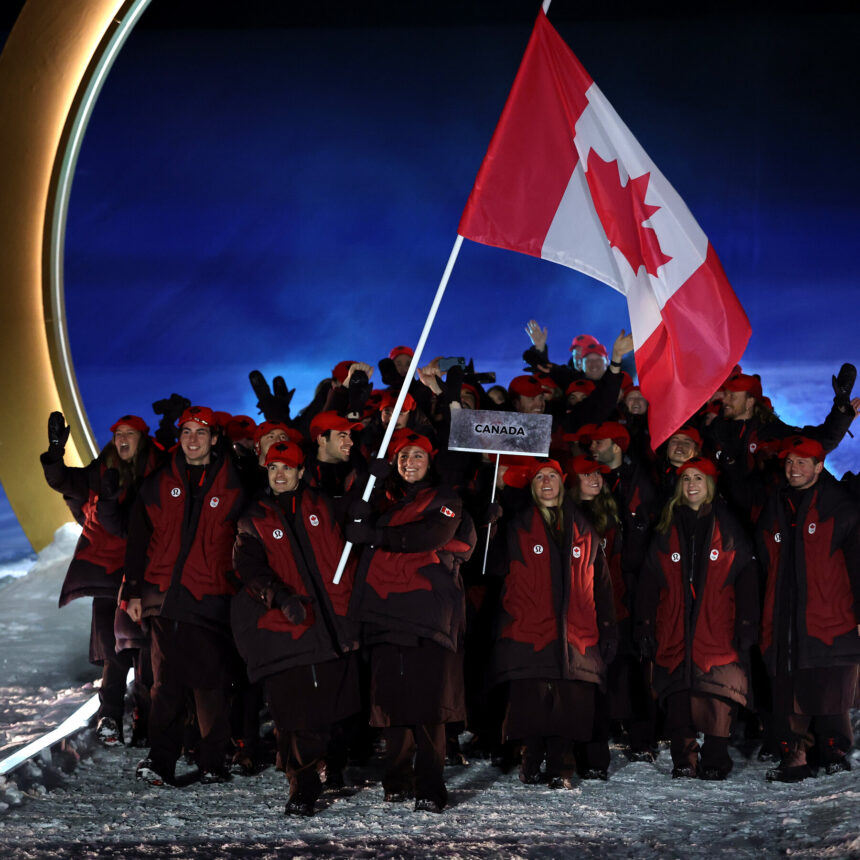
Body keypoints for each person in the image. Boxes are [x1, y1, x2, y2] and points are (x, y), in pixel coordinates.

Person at [346, 429, 476, 813]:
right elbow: (350, 519)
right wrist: (369, 478)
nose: (409, 463)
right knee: (391, 702)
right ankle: (397, 780)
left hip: (427, 613)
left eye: (417, 456)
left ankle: (430, 784)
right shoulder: (380, 497)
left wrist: (376, 536)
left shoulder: (445, 498)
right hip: (384, 612)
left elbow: (431, 534)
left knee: (428, 704)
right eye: (403, 457)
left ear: (430, 461)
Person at [232, 441, 360, 816]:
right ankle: (302, 783)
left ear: (302, 472)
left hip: (333, 625)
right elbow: (249, 569)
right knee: (293, 710)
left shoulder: (324, 505)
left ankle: (330, 767)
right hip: (286, 629)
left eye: (287, 468)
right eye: (273, 468)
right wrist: (279, 597)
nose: (280, 474)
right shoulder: (253, 518)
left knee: (332, 707)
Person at [124, 405, 245, 786]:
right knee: (165, 686)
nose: (192, 439)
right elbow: (138, 540)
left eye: (201, 432)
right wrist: (132, 591)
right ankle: (161, 762)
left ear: (214, 439)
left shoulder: (237, 483)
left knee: (210, 686)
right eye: (186, 431)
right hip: (164, 597)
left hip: (211, 598)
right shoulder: (158, 483)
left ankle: (213, 761)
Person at [489, 458, 617, 786]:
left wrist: (608, 625)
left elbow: (601, 583)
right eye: (539, 478)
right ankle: (531, 759)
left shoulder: (584, 528)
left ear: (562, 483)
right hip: (529, 629)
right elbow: (491, 569)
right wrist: (488, 525)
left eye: (552, 477)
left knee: (569, 703)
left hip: (577, 632)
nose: (546, 482)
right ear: (532, 488)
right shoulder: (516, 526)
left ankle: (562, 767)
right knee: (531, 702)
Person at [41, 411, 160, 747]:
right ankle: (110, 715)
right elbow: (65, 481)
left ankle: (143, 718)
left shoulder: (156, 471)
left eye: (130, 434)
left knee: (145, 650)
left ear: (142, 437)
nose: (122, 439)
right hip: (108, 573)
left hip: (146, 573)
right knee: (115, 649)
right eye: (118, 433)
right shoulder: (103, 467)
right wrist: (54, 454)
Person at [637, 457, 759, 780]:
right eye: (687, 479)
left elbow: (746, 574)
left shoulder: (729, 526)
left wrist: (748, 621)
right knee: (678, 694)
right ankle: (684, 760)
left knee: (718, 694)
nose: (692, 485)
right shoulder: (666, 526)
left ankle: (716, 758)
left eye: (698, 479)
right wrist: (646, 622)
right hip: (675, 621)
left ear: (710, 485)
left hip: (716, 622)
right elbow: (650, 578)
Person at [755, 436, 860, 781]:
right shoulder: (776, 504)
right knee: (787, 687)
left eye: (802, 463)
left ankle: (833, 752)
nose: (794, 469)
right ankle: (794, 756)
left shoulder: (840, 507)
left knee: (828, 685)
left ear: (819, 466)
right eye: (789, 463)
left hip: (829, 614)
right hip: (783, 615)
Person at [568, 454, 657, 763]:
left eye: (599, 475)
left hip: (614, 606)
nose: (596, 479)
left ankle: (641, 739)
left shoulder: (612, 513)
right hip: (578, 610)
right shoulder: (566, 515)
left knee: (624, 675)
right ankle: (590, 746)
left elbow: (625, 563)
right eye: (587, 474)